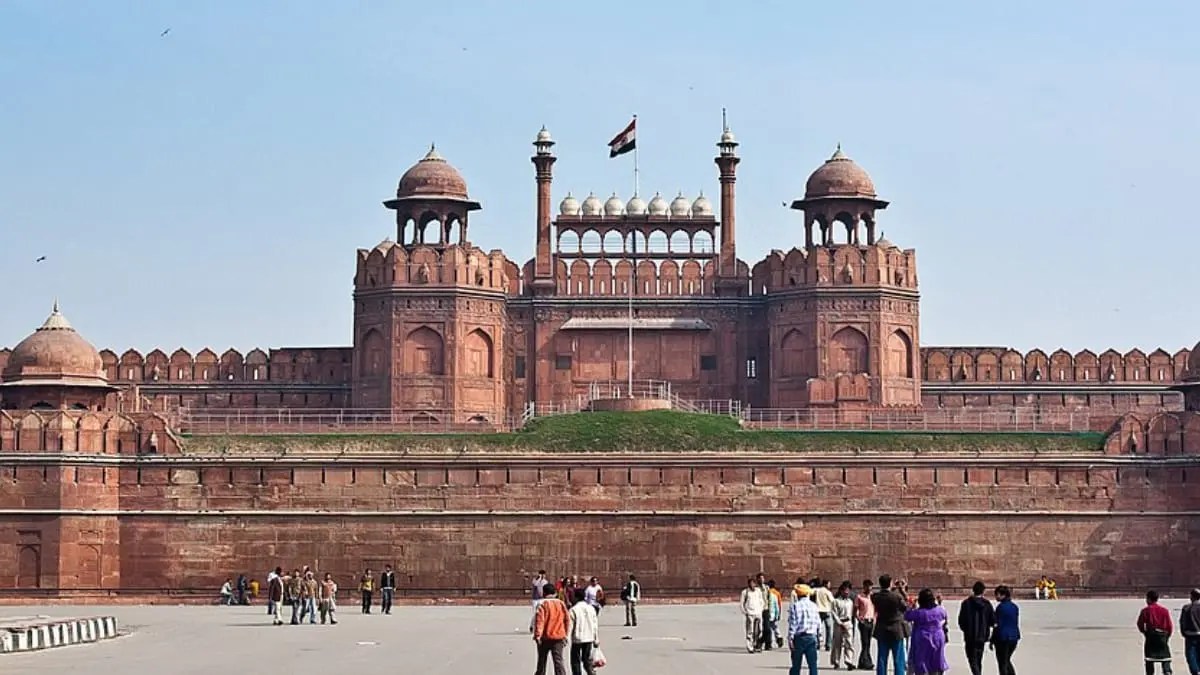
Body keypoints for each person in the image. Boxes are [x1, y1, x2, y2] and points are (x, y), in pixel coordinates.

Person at [905, 589, 949, 675]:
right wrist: (939, 603)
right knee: (937, 658)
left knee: (921, 659)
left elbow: (907, 616)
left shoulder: (919, 613)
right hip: (938, 636)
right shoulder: (940, 610)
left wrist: (911, 606)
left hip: (922, 637)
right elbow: (944, 616)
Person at [871, 574, 909, 675]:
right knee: (898, 659)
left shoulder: (875, 597)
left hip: (882, 629)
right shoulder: (896, 597)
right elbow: (905, 607)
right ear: (890, 583)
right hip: (896, 629)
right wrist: (901, 590)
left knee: (882, 658)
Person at [958, 580, 996, 675]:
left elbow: (961, 621)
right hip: (982, 637)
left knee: (972, 660)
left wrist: (967, 630)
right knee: (978, 660)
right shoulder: (987, 604)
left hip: (970, 637)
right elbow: (992, 621)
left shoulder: (966, 603)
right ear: (983, 591)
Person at [532, 582, 570, 675]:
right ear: (555, 593)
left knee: (542, 662)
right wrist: (566, 635)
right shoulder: (561, 604)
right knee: (558, 662)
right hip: (559, 637)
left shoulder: (542, 604)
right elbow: (567, 620)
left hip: (545, 637)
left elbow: (540, 621)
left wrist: (537, 635)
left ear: (544, 593)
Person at [787, 583, 823, 675]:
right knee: (813, 665)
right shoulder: (814, 606)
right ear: (807, 594)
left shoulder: (795, 606)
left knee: (796, 665)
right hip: (811, 638)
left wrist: (790, 638)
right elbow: (818, 623)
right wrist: (820, 638)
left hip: (799, 638)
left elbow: (793, 623)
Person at [1138, 589, 1174, 674]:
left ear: (1149, 599)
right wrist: (1167, 636)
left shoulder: (1146, 610)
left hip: (1151, 635)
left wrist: (1144, 632)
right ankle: (1167, 671)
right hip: (1162, 635)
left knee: (1149, 659)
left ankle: (1150, 673)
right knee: (1165, 657)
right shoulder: (1164, 610)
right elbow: (1169, 626)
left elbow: (1140, 623)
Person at [569, 587, 600, 675]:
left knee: (575, 660)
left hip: (577, 638)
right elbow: (595, 625)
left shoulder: (573, 610)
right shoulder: (591, 609)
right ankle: (591, 673)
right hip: (589, 637)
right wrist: (596, 639)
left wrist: (566, 638)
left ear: (576, 597)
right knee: (586, 659)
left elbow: (570, 626)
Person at [991, 585, 1020, 675]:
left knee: (1002, 663)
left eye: (997, 595)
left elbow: (997, 625)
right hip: (1014, 637)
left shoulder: (1000, 608)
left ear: (1003, 595)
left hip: (1003, 638)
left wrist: (992, 639)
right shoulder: (1014, 607)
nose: (996, 597)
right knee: (1006, 660)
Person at [831, 580, 857, 669]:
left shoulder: (850, 602)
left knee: (849, 643)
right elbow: (834, 613)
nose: (846, 592)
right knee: (837, 643)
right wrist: (839, 623)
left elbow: (851, 613)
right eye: (845, 591)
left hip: (848, 623)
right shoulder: (836, 601)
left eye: (848, 591)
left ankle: (848, 660)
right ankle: (836, 661)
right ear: (841, 591)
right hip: (839, 623)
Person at [855, 578, 876, 671]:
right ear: (864, 586)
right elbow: (855, 610)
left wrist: (875, 618)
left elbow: (875, 609)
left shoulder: (873, 597)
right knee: (865, 642)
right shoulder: (859, 597)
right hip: (864, 621)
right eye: (868, 586)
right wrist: (859, 618)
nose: (869, 588)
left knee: (868, 643)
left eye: (871, 586)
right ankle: (868, 662)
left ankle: (861, 662)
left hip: (871, 621)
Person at [741, 577, 765, 653]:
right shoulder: (745, 592)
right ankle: (750, 646)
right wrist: (745, 612)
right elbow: (742, 603)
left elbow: (762, 600)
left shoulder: (758, 591)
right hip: (750, 613)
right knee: (750, 631)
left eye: (753, 583)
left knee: (760, 630)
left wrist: (761, 609)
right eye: (751, 583)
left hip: (758, 612)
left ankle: (757, 644)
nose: (752, 585)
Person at [812, 578, 835, 651]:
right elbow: (832, 601)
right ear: (826, 584)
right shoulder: (828, 592)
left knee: (817, 628)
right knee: (829, 628)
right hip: (826, 611)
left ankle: (817, 644)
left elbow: (810, 592)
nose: (830, 585)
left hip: (818, 610)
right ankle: (828, 645)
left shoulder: (817, 590)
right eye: (829, 584)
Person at [1181, 589, 1200, 675]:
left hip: (1190, 634)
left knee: (1191, 655)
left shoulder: (1186, 608)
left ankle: (1195, 671)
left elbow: (1182, 621)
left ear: (1191, 596)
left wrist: (1184, 632)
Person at [765, 580, 783, 650]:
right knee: (774, 626)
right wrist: (778, 614)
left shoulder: (768, 592)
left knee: (768, 628)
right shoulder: (777, 593)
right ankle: (779, 637)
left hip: (768, 613)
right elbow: (779, 604)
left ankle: (770, 642)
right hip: (774, 612)